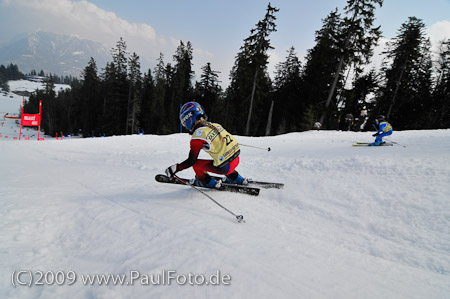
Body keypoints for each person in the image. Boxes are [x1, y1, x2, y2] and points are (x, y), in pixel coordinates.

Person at [165, 101, 247, 188]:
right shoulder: (214, 125)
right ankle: (236, 178)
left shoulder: (198, 136)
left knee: (196, 164)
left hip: (225, 168)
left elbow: (191, 161)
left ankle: (206, 182)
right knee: (222, 158)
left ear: (188, 119)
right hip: (236, 160)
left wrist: (176, 168)